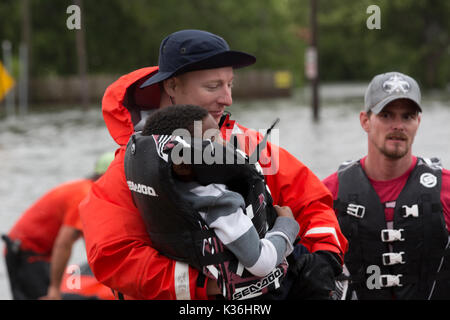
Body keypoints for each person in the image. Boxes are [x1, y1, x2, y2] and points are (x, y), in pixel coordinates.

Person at [79, 29, 347, 300]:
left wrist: (325, 258)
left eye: (230, 84)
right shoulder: (128, 167)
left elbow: (313, 203)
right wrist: (210, 286)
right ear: (172, 86)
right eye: (213, 86)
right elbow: (114, 256)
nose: (227, 99)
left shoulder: (250, 145)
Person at [126, 104, 300, 300]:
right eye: (212, 141)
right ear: (183, 164)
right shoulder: (219, 202)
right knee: (307, 261)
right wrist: (287, 226)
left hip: (200, 281)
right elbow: (261, 262)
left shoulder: (165, 190)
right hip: (247, 294)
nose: (224, 145)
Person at [323, 71, 450, 300]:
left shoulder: (445, 190)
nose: (398, 126)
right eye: (386, 115)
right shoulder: (330, 193)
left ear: (418, 122)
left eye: (408, 116)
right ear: (365, 120)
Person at [2, 152, 115, 300]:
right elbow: (64, 243)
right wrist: (55, 289)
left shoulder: (84, 189)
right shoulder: (85, 194)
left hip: (36, 254)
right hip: (26, 253)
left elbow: (91, 241)